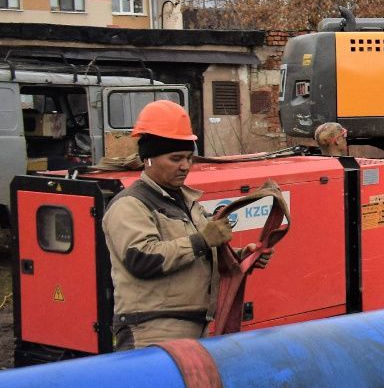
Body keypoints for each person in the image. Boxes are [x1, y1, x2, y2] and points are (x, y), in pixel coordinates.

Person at [102, 100, 265, 349]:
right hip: (151, 334)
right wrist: (202, 241)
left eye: (189, 158)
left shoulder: (186, 202)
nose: (185, 166)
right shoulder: (130, 205)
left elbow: (199, 257)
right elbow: (142, 259)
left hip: (193, 331)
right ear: (149, 160)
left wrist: (242, 258)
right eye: (176, 158)